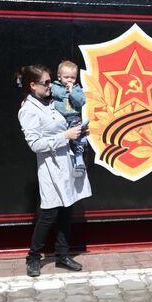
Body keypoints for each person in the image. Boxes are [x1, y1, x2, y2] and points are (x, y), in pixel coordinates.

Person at [15, 64, 92, 277]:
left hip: (65, 163)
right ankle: (33, 257)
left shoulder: (49, 102)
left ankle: (62, 255)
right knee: (48, 214)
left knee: (67, 210)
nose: (51, 86)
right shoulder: (28, 109)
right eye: (46, 82)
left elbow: (61, 125)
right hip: (50, 167)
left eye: (50, 81)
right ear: (32, 85)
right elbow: (35, 144)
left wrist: (78, 132)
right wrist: (65, 136)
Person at [50, 60, 87, 177]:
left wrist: (72, 91)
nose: (70, 80)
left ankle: (79, 157)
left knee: (79, 135)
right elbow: (55, 94)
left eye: (73, 77)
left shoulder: (76, 88)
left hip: (73, 117)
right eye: (66, 77)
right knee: (59, 140)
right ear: (59, 76)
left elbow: (81, 101)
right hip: (58, 117)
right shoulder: (54, 86)